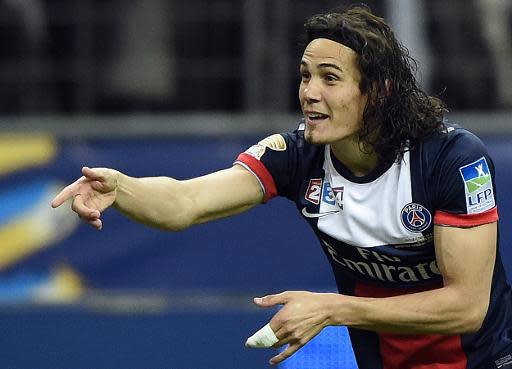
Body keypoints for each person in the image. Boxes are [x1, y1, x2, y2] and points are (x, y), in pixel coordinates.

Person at [51, 5, 512, 368]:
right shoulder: (297, 154)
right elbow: (186, 202)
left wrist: (334, 309)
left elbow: (466, 306)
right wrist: (122, 187)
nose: (310, 92)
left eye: (330, 79)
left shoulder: (451, 159)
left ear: (379, 91)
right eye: (306, 76)